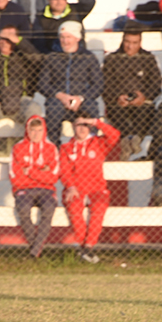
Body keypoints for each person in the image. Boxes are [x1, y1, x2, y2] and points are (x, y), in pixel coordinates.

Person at [59, 112, 120, 264]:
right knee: (73, 208)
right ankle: (85, 250)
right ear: (73, 126)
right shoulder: (66, 147)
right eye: (79, 124)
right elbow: (64, 171)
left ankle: (88, 247)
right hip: (76, 189)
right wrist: (71, 186)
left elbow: (115, 135)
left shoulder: (98, 143)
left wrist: (95, 122)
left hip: (96, 188)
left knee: (98, 208)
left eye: (86, 125)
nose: (82, 129)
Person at [0, 25, 42, 162]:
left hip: (20, 102)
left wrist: (20, 43)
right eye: (1, 38)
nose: (3, 42)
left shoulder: (22, 54)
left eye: (7, 39)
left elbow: (38, 59)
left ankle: (32, 150)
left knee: (34, 108)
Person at [102, 21, 162, 161]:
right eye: (127, 42)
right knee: (115, 111)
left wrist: (144, 96)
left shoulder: (148, 58)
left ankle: (133, 140)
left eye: (134, 43)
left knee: (147, 110)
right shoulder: (112, 59)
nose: (130, 46)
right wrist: (117, 97)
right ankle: (129, 140)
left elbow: (156, 84)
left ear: (140, 42)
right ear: (122, 40)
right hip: (118, 103)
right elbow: (105, 85)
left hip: (141, 103)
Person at [38, 21, 103, 146]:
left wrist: (80, 98)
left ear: (77, 38)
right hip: (59, 101)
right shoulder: (52, 57)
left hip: (82, 101)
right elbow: (43, 84)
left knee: (92, 107)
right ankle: (54, 148)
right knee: (52, 107)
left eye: (68, 37)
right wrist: (60, 95)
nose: (65, 41)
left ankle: (91, 146)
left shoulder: (89, 57)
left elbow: (98, 85)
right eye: (62, 37)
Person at [9, 115, 59, 259]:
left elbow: (53, 177)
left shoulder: (51, 148)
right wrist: (42, 171)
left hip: (46, 190)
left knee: (49, 208)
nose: (36, 134)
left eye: (39, 130)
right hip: (23, 190)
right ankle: (36, 250)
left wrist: (30, 171)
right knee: (23, 209)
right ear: (27, 131)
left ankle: (34, 251)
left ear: (44, 131)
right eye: (33, 130)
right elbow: (16, 177)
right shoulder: (18, 148)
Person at [32, 0, 96, 53]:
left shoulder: (75, 10)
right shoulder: (41, 17)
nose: (59, 1)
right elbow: (38, 42)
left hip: (78, 57)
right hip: (53, 58)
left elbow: (90, 2)